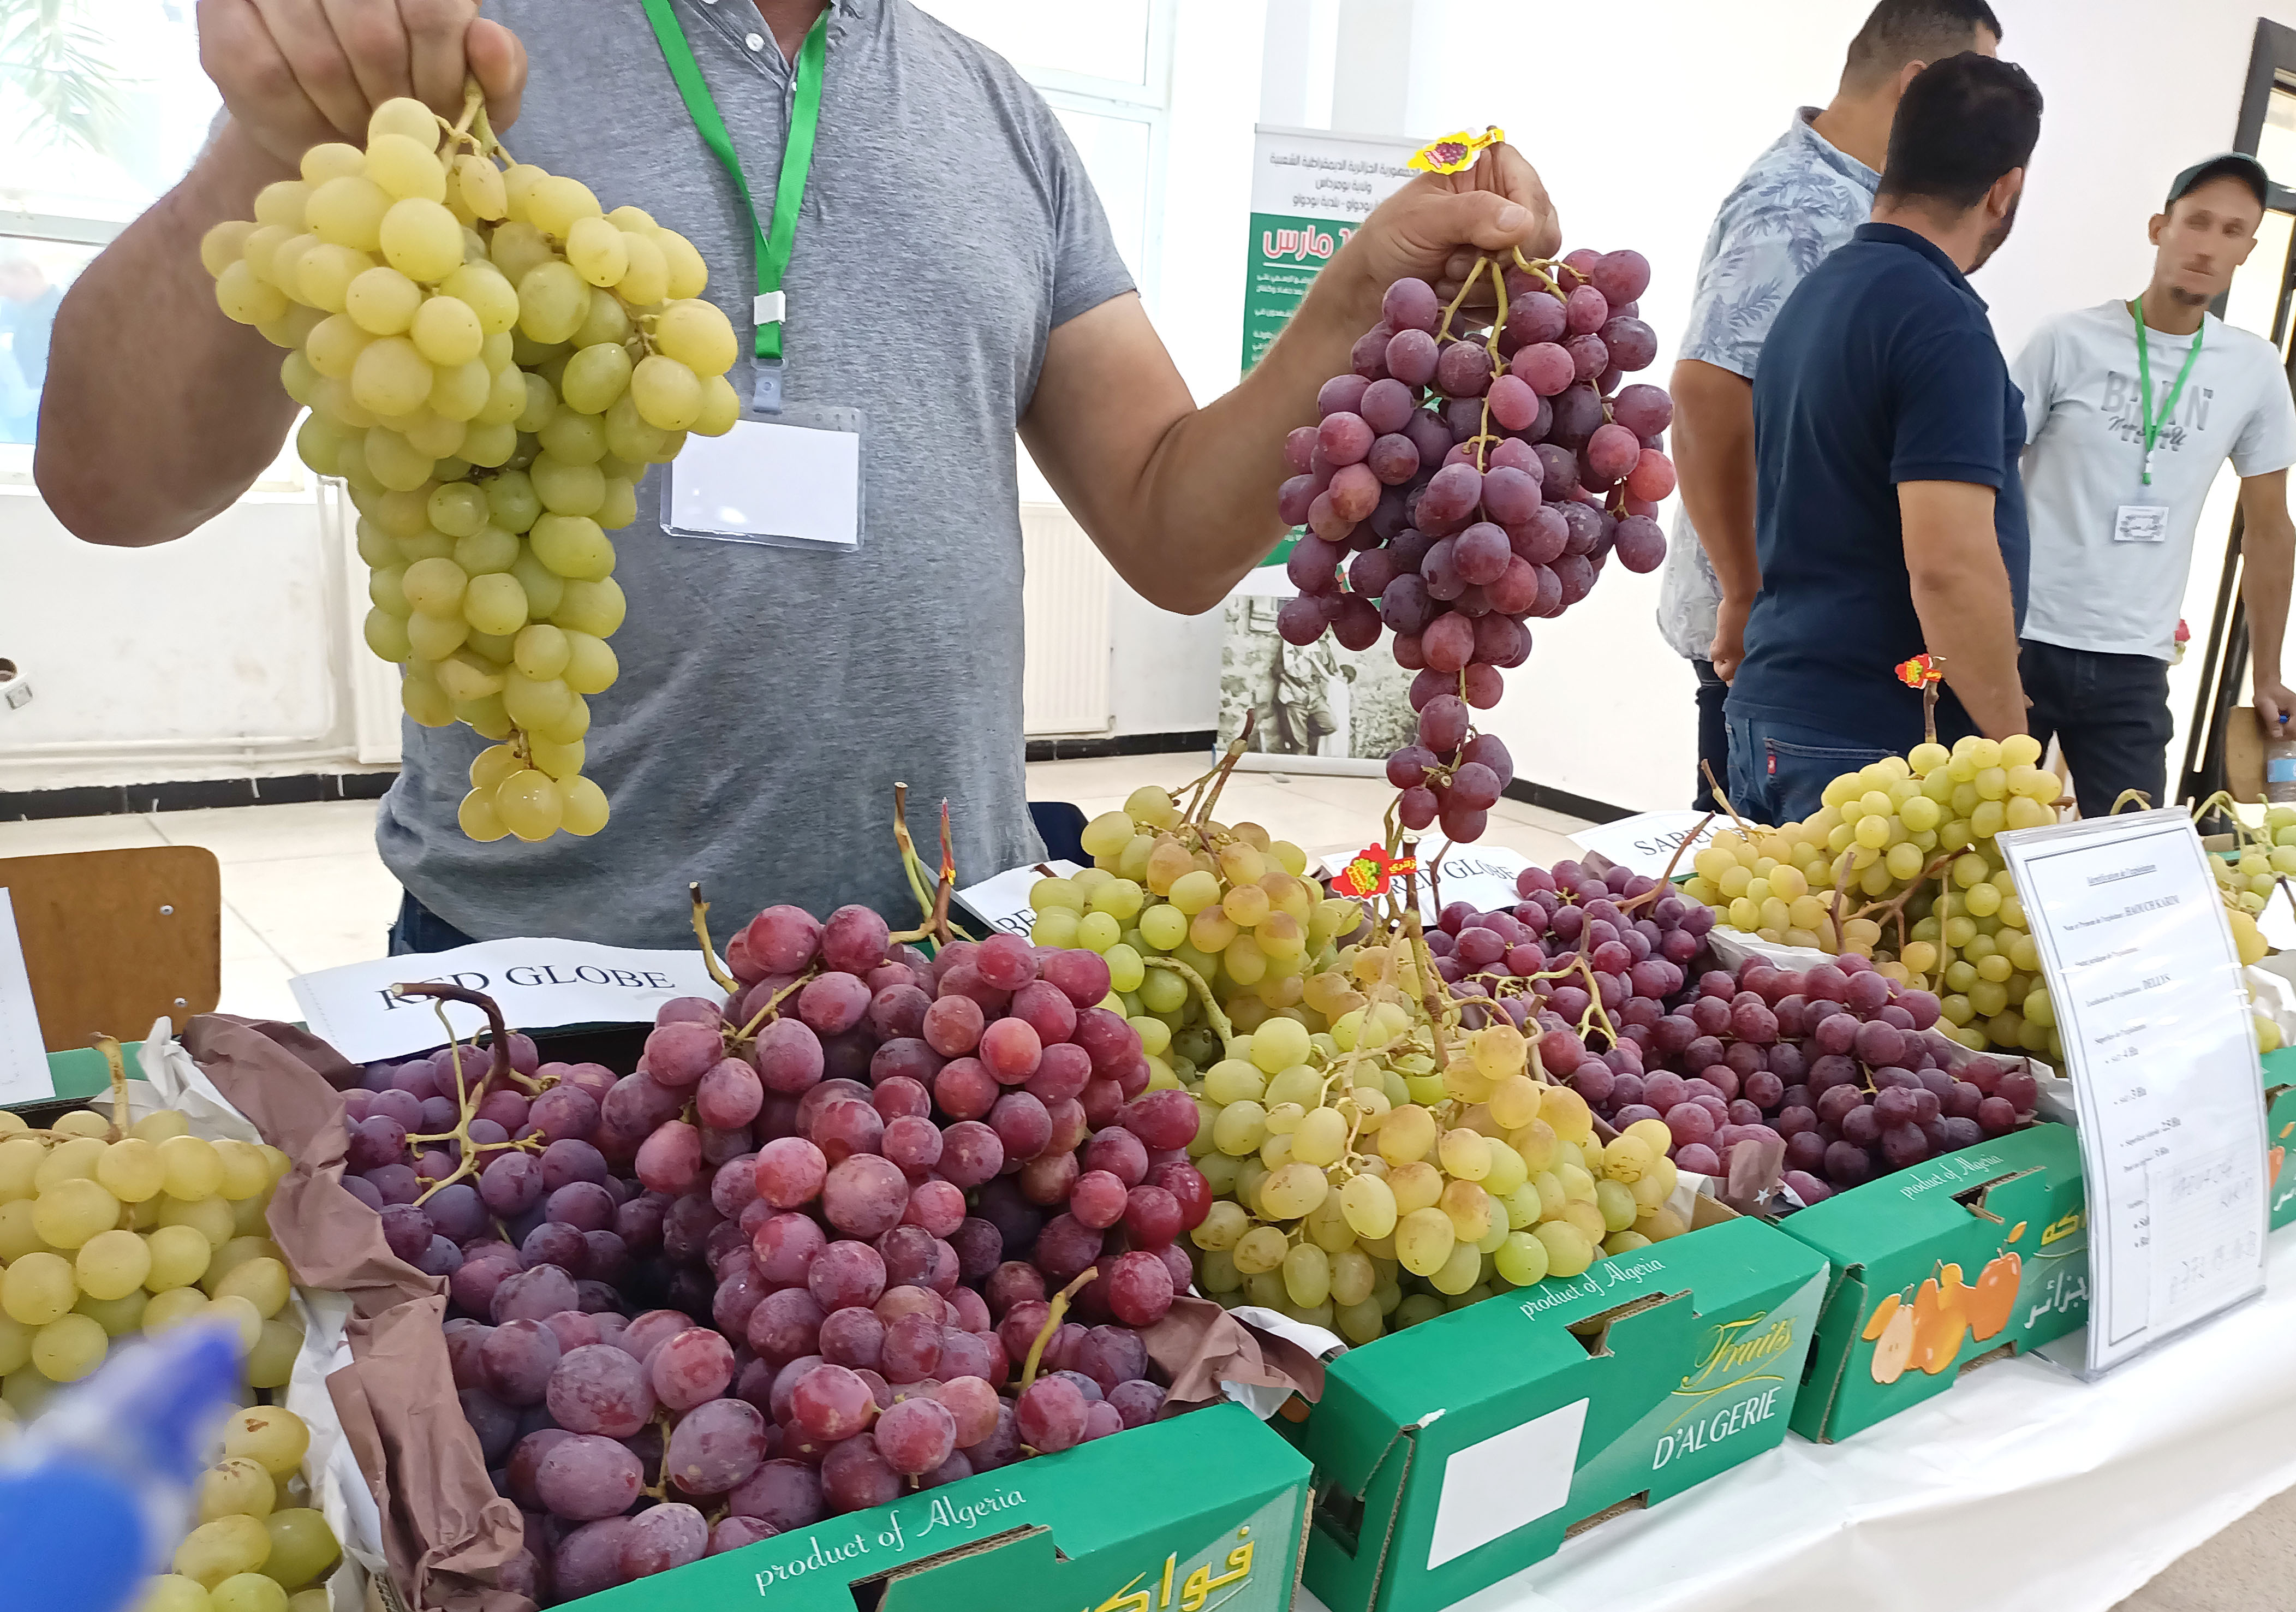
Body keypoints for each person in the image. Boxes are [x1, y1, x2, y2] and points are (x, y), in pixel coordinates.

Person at [34, 0, 1556, 950]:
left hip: (943, 965)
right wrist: (271, 136)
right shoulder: (445, 44)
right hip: (550, 969)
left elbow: (1169, 520)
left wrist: (1357, 300)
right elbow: (112, 481)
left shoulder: (1003, 118)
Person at [1661, 0, 2002, 808]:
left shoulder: (1864, 208)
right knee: (1772, 910)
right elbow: (1707, 393)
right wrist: (1746, 590)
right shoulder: (1804, 207)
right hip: (1780, 648)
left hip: (1823, 645)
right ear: (1917, 87)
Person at [1724, 52, 2039, 825]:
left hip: (1774, 711)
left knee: (1769, 949)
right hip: (1871, 746)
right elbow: (1949, 566)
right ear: (2006, 188)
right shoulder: (1943, 321)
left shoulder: (1813, 298)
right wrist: (2011, 752)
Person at [2010, 153, 2296, 817]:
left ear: (2248, 250)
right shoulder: (2067, 341)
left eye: (2231, 231)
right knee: (1969, 849)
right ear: (2158, 227)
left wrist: (2268, 674)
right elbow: (1984, 476)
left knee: (2134, 856)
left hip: (2133, 662)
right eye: (2195, 222)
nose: (2208, 246)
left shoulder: (2253, 368)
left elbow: (2268, 529)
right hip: (2022, 641)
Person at [0, 251, 61, 444]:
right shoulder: (26, 309)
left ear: (27, 273)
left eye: (10, 290)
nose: (6, 296)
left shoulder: (57, 311)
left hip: (42, 410)